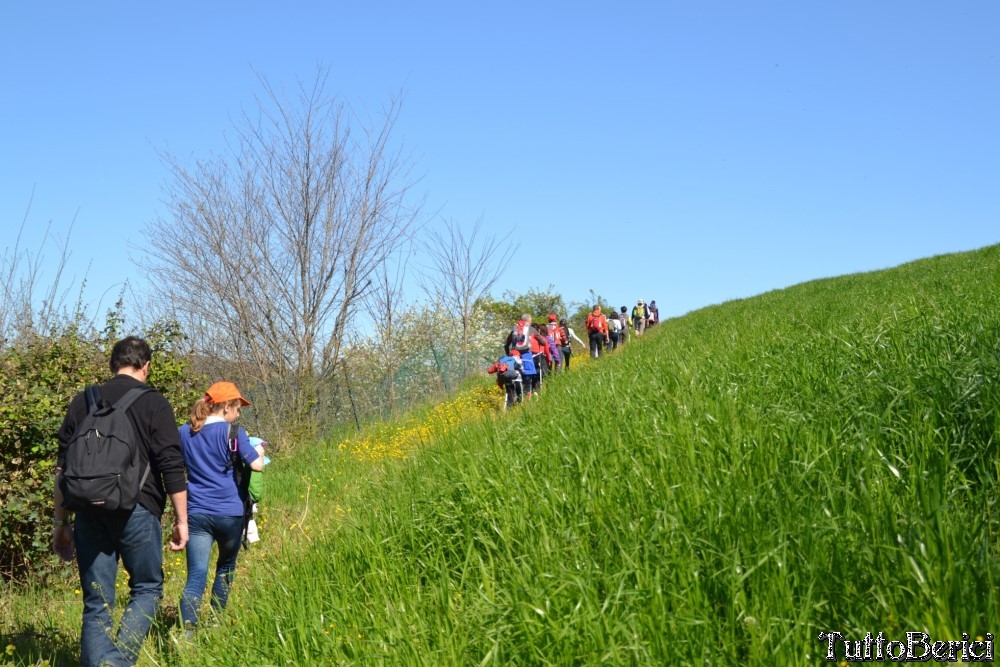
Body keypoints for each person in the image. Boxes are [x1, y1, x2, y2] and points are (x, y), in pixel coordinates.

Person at [53, 336, 189, 667]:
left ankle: (105, 661)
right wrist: (181, 520)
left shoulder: (82, 401)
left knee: (96, 602)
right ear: (146, 366)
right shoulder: (154, 403)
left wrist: (61, 522)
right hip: (138, 509)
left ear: (112, 365)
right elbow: (171, 463)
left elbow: (62, 469)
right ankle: (116, 663)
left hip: (87, 511)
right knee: (146, 589)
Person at [179, 381, 263, 635]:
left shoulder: (184, 432)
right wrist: (257, 450)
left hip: (196, 512)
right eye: (237, 408)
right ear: (227, 406)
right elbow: (256, 465)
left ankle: (189, 634)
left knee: (196, 574)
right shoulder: (234, 433)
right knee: (225, 568)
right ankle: (216, 626)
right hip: (230, 512)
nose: (238, 414)